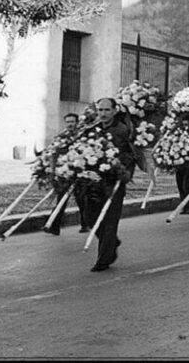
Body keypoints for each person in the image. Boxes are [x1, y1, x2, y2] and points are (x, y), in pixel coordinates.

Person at [84, 98, 135, 272]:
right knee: (91, 218)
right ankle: (111, 242)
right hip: (94, 181)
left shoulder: (123, 130)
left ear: (114, 111)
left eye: (107, 110)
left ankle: (104, 259)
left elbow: (131, 155)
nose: (103, 114)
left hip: (113, 181)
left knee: (109, 221)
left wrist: (121, 169)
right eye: (100, 110)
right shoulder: (92, 130)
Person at [43, 113, 89, 235]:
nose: (70, 124)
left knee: (81, 200)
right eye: (68, 122)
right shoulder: (60, 137)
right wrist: (52, 172)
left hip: (79, 172)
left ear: (77, 122)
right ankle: (54, 226)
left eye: (72, 121)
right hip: (65, 172)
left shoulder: (83, 136)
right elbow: (53, 154)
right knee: (62, 199)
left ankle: (86, 224)